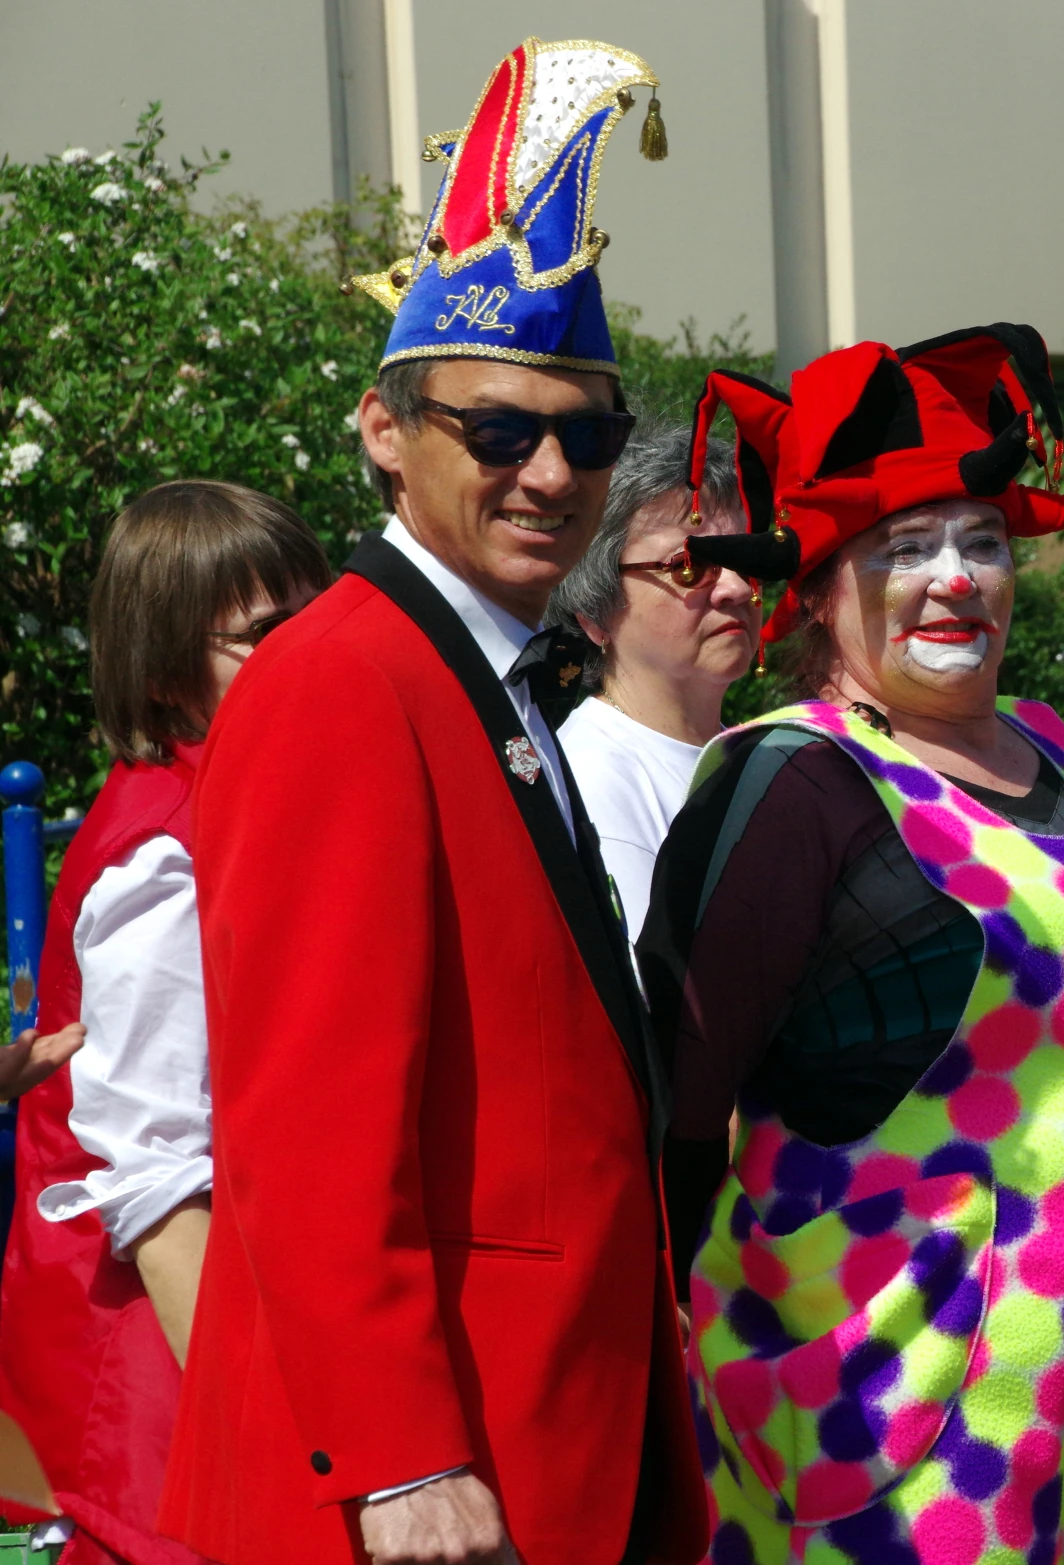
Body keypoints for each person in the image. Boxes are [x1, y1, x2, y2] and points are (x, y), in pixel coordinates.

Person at [157, 38, 703, 1565]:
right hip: (422, 1473)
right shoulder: (344, 678)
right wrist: (399, 1455)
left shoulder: (490, 668)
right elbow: (305, 1121)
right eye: (499, 430)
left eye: (586, 435)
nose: (550, 474)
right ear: (387, 433)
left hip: (544, 1423)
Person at [638, 328, 1064, 1564]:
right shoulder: (796, 779)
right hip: (891, 1423)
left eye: (982, 541)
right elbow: (672, 1097)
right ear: (822, 589)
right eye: (905, 549)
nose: (956, 578)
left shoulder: (1059, 751)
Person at [0, 481, 331, 1564]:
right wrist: (261, 1441)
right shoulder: (165, 854)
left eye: (316, 616)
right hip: (168, 1363)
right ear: (163, 673)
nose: (309, 651)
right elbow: (157, 1174)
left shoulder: (226, 798)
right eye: (265, 635)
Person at [549, 418, 759, 945]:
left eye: (744, 559)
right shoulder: (595, 777)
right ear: (593, 614)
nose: (734, 587)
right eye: (689, 567)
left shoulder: (757, 752)